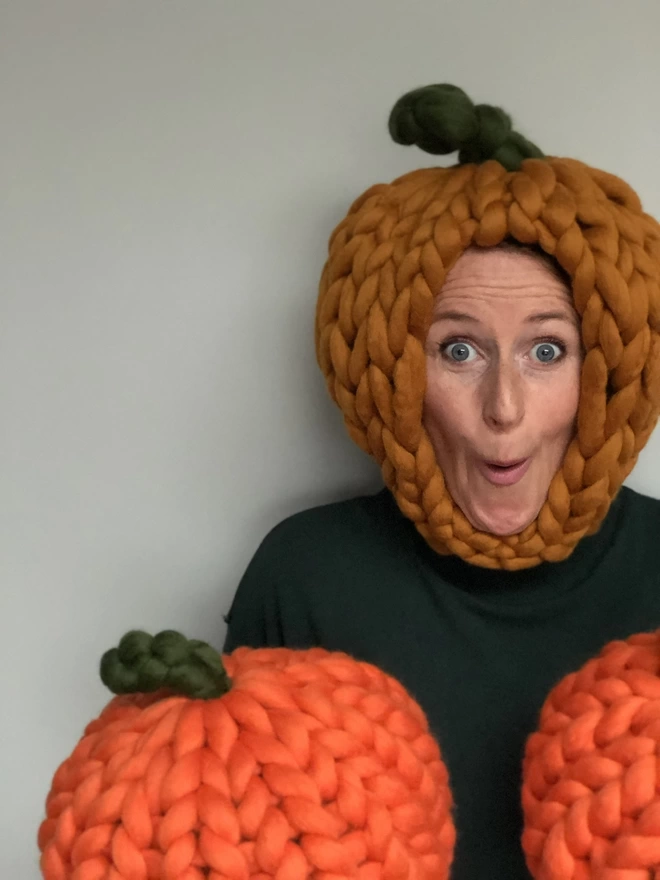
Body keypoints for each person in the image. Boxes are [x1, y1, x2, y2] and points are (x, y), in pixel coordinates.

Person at [223, 84, 660, 879]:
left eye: (547, 351)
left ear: (610, 371)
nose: (504, 408)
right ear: (386, 371)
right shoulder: (307, 576)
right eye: (458, 351)